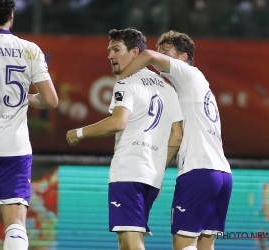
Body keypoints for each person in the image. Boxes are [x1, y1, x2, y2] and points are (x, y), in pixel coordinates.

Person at [66, 28, 183, 250]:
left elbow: (118, 122)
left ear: (134, 53)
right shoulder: (168, 88)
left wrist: (79, 133)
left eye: (116, 49)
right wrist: (158, 171)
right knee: (126, 239)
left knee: (130, 240)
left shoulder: (126, 81)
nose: (110, 55)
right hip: (151, 176)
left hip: (129, 170)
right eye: (109, 50)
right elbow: (177, 135)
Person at [117, 30, 233, 250]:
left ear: (183, 58)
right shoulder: (190, 88)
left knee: (184, 245)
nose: (161, 56)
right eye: (161, 51)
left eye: (167, 52)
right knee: (205, 247)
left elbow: (148, 55)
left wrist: (122, 77)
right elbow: (176, 137)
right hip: (222, 175)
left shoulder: (188, 75)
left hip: (199, 171)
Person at [0, 1, 58, 250]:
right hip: (14, 147)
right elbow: (50, 100)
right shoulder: (29, 49)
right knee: (16, 223)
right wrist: (26, 98)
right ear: (11, 15)